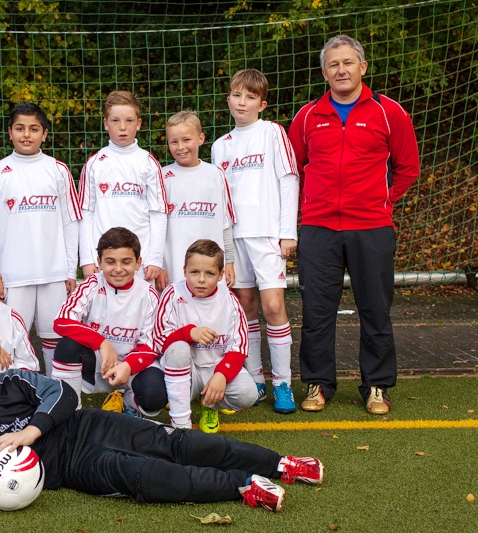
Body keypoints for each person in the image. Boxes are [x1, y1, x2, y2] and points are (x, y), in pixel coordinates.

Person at [0, 328, 324, 511]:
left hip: (86, 426)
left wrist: (30, 432)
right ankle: (244, 486)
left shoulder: (15, 380)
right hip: (73, 467)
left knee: (177, 443)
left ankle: (280, 464)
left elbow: (64, 394)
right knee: (147, 476)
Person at [288, 35, 419, 415]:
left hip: (372, 227)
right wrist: (309, 206)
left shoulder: (389, 112)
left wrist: (384, 201)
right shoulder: (307, 116)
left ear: (362, 67)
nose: (341, 70)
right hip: (318, 228)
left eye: (348, 62)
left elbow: (408, 166)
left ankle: (376, 386)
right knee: (316, 312)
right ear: (324, 72)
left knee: (375, 310)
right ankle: (318, 383)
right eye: (333, 64)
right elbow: (294, 170)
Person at [211, 69, 300, 414]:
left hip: (267, 234)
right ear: (228, 100)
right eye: (237, 95)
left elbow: (289, 179)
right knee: (245, 306)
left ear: (262, 104)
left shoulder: (272, 132)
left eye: (250, 97)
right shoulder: (220, 146)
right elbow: (220, 200)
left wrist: (288, 232)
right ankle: (255, 378)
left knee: (273, 306)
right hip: (234, 238)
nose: (242, 102)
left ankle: (283, 383)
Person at [0, 103, 81, 376]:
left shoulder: (58, 170)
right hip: (13, 275)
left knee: (55, 338)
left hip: (53, 273)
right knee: (11, 339)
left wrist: (69, 269)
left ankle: (57, 390)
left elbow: (70, 222)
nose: (26, 134)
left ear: (44, 134)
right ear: (9, 132)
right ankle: (13, 392)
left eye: (34, 129)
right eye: (20, 128)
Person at [51, 227, 166, 417]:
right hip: (98, 363)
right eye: (110, 262)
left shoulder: (148, 294)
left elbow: (151, 345)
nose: (118, 269)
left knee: (156, 395)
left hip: (133, 367)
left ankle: (129, 401)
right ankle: (71, 413)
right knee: (67, 346)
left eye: (126, 262)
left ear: (138, 263)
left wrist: (128, 366)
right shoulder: (92, 284)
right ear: (99, 262)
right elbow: (62, 321)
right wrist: (101, 342)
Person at [154, 240, 258, 433]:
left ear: (220, 275)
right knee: (179, 349)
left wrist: (222, 375)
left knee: (248, 394)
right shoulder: (173, 293)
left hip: (214, 368)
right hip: (184, 370)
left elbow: (239, 348)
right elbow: (159, 341)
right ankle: (181, 424)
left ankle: (210, 405)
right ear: (184, 271)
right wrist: (189, 333)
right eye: (194, 272)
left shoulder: (229, 300)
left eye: (209, 273)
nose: (201, 279)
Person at [78, 90, 167, 284]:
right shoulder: (94, 163)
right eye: (115, 121)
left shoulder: (149, 163)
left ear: (139, 124)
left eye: (129, 120)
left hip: (140, 262)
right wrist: (86, 258)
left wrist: (154, 258)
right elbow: (86, 213)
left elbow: (158, 213)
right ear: (105, 123)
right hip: (104, 261)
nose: (122, 127)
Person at [156, 109, 235, 289]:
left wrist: (229, 261)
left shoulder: (216, 174)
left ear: (200, 138)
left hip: (210, 268)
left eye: (186, 140)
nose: (180, 147)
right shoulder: (162, 176)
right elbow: (155, 226)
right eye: (174, 142)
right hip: (173, 269)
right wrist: (158, 265)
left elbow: (225, 223)